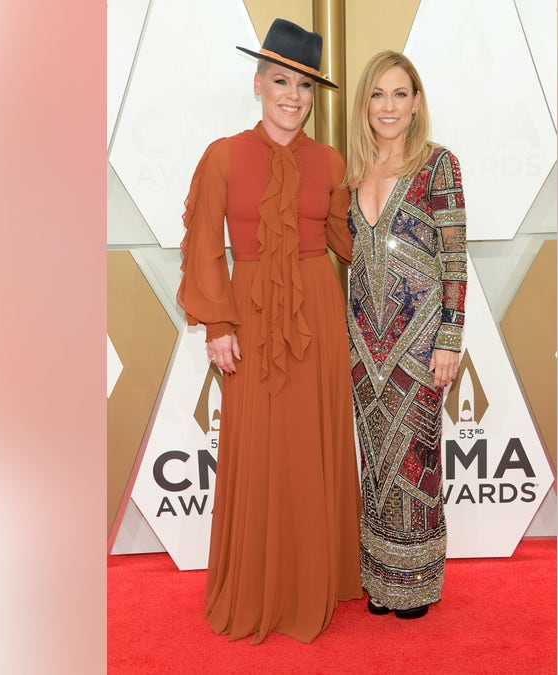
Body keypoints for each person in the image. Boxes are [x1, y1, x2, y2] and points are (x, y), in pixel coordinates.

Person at [175, 18, 361, 644]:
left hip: (318, 318)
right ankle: (260, 585)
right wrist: (217, 322)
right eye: (281, 81)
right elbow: (204, 243)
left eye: (305, 88)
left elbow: (344, 241)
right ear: (258, 84)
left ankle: (315, 581)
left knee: (313, 442)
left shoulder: (330, 161)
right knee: (259, 448)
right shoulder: (223, 155)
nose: (293, 97)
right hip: (250, 318)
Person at [343, 50, 467, 620]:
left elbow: (455, 259)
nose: (388, 106)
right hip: (364, 346)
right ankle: (380, 576)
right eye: (377, 94)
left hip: (420, 348)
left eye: (400, 94)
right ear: (364, 104)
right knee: (375, 459)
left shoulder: (440, 166)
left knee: (416, 459)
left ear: (416, 102)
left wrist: (450, 338)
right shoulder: (352, 171)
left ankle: (416, 582)